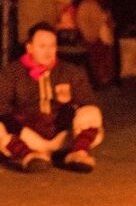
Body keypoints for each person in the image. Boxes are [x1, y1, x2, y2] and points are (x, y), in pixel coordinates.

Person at [0, 22, 103, 172]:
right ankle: (29, 156)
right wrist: (22, 128)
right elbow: (1, 109)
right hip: (27, 137)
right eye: (42, 46)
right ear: (29, 48)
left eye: (52, 46)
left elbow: (86, 103)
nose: (48, 52)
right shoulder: (11, 73)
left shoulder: (71, 72)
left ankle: (79, 153)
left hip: (63, 136)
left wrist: (68, 114)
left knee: (92, 112)